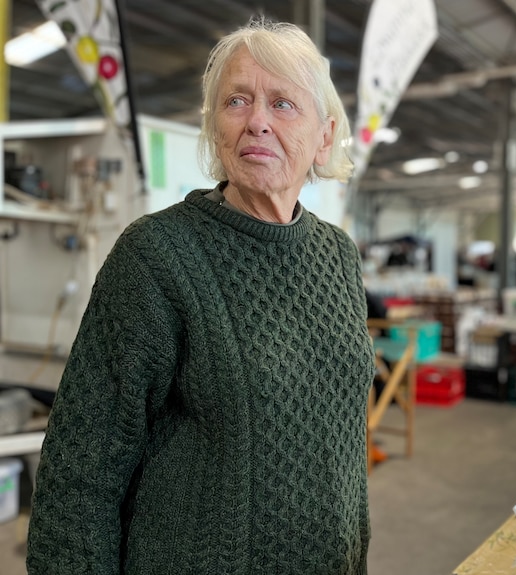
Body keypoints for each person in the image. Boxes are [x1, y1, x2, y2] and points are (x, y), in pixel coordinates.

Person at [27, 20, 375, 575]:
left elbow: (342, 449)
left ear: (325, 136)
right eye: (237, 101)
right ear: (215, 128)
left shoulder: (338, 255)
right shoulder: (157, 255)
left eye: (283, 103)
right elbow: (80, 471)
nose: (256, 121)